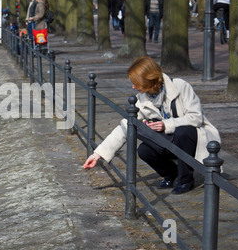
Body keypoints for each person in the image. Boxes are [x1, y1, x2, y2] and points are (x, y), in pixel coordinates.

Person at [83, 56, 221, 195]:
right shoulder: (141, 99)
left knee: (183, 132)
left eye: (136, 82)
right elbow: (124, 127)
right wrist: (97, 155)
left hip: (190, 137)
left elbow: (196, 117)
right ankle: (171, 174)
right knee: (143, 150)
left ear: (149, 79)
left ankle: (186, 180)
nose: (133, 86)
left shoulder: (180, 86)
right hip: (168, 140)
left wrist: (166, 125)